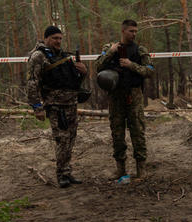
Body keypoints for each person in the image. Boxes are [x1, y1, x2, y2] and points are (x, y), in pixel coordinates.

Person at [27, 26, 88, 188]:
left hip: (71, 103)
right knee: (62, 139)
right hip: (55, 106)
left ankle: (67, 171)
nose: (58, 41)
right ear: (46, 38)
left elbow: (73, 80)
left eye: (60, 38)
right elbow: (32, 82)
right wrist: (37, 107)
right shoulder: (38, 56)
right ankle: (61, 174)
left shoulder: (63, 56)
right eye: (55, 38)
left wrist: (83, 72)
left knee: (71, 138)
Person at [96, 19, 155, 180]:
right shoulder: (109, 48)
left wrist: (131, 65)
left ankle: (141, 169)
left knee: (137, 131)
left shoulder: (140, 50)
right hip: (116, 96)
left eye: (136, 31)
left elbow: (150, 70)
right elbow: (98, 66)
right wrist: (111, 52)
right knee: (117, 132)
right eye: (131, 31)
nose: (134, 34)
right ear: (123, 31)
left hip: (134, 95)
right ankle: (120, 169)